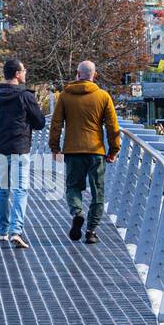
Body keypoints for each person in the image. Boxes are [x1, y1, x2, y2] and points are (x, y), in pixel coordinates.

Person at [49, 59, 120, 244]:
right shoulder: (103, 97)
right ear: (94, 75)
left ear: (77, 74)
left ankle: (77, 212)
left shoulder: (65, 96)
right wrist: (114, 150)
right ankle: (91, 230)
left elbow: (56, 124)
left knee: (73, 187)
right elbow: (113, 127)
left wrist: (55, 148)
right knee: (98, 191)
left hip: (72, 151)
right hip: (96, 151)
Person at [0, 58, 46, 250]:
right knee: (20, 190)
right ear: (17, 74)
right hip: (19, 147)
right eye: (24, 70)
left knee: (2, 190)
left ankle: (2, 231)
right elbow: (40, 122)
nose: (25, 73)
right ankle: (16, 231)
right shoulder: (25, 95)